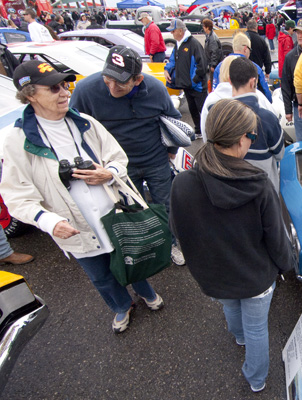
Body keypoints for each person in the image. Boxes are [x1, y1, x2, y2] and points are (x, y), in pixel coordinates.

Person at [1, 60, 165, 333]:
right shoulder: (17, 141)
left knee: (131, 257)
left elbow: (116, 157)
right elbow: (17, 197)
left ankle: (146, 292)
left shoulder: (84, 122)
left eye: (64, 85)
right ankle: (122, 306)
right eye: (54, 88)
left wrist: (108, 173)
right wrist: (48, 221)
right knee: (100, 276)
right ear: (30, 95)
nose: (65, 92)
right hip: (73, 228)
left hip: (113, 214)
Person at [169, 98, 294, 393]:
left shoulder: (183, 183)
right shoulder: (258, 184)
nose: (252, 142)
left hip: (213, 276)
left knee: (232, 310)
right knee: (257, 328)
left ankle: (236, 337)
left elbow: (178, 229)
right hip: (255, 277)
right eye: (252, 136)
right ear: (241, 140)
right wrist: (287, 265)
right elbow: (276, 239)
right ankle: (256, 379)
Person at [70, 46, 186, 265]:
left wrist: (172, 151)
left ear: (138, 79)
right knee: (130, 210)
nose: (112, 87)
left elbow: (174, 121)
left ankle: (169, 245)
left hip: (155, 161)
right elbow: (74, 129)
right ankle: (142, 249)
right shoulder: (85, 91)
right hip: (117, 167)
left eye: (120, 82)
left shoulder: (156, 89)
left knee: (165, 206)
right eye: (108, 78)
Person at [229, 57, 284, 191]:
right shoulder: (267, 118)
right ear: (253, 82)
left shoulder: (219, 115)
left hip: (231, 190)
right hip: (264, 191)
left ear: (230, 81)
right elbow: (279, 155)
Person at [200, 55, 277, 142]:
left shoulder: (211, 100)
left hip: (220, 152)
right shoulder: (256, 95)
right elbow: (273, 120)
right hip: (258, 148)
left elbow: (205, 131)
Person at [165, 19, 207, 139]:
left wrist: (193, 81)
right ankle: (198, 131)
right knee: (193, 110)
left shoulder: (194, 44)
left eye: (173, 31)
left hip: (197, 86)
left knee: (203, 111)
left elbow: (202, 65)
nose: (171, 33)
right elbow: (173, 60)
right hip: (187, 85)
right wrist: (166, 69)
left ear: (180, 30)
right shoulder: (178, 44)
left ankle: (209, 133)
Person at [281, 18, 302, 141]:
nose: (299, 36)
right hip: (299, 108)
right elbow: (286, 85)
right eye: (297, 32)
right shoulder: (290, 56)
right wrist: (288, 111)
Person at [212, 32, 272, 102]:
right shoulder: (254, 67)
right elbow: (266, 94)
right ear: (245, 48)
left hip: (224, 108)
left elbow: (214, 91)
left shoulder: (220, 67)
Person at [202, 18, 223, 89]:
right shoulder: (210, 36)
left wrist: (213, 65)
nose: (203, 28)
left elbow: (214, 52)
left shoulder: (212, 38)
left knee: (213, 80)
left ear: (207, 27)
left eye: (204, 26)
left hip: (213, 64)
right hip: (211, 62)